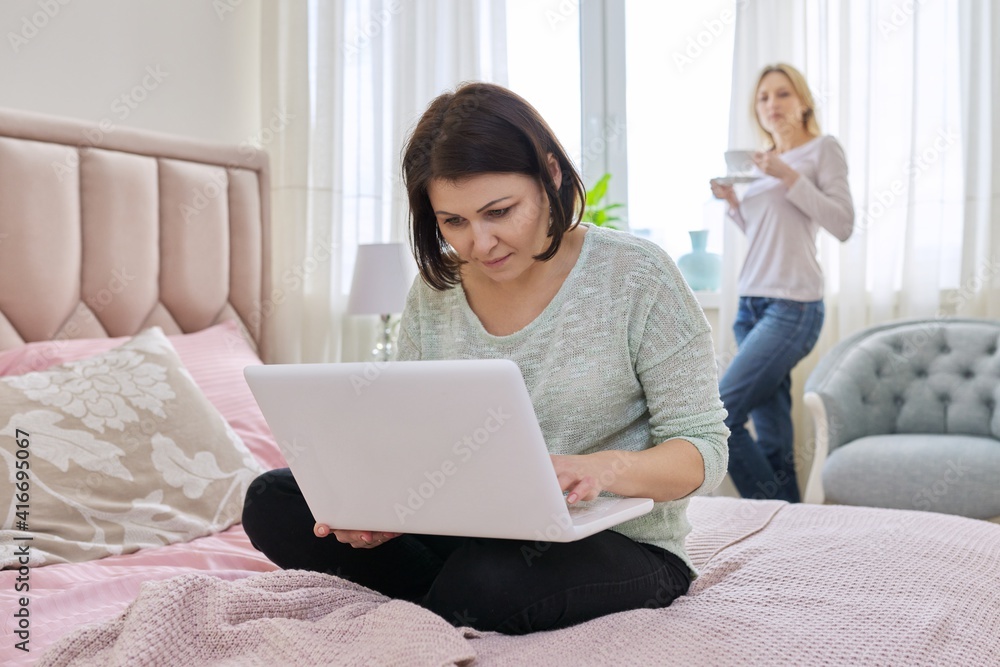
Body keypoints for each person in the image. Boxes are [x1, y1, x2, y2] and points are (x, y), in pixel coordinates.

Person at [243, 82, 729, 635]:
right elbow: (407, 434)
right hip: (468, 531)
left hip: (616, 543)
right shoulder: (437, 292)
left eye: (500, 211)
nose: (481, 243)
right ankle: (445, 596)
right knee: (273, 500)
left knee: (489, 580)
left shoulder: (638, 275)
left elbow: (704, 452)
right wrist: (379, 509)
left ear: (549, 175)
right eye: (454, 222)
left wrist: (599, 469)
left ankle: (441, 595)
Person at [710, 63, 854, 503]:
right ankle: (789, 534)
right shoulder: (760, 161)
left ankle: (777, 513)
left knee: (719, 416)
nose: (772, 105)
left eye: (783, 94)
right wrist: (735, 204)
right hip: (751, 306)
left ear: (804, 101)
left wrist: (786, 175)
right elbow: (770, 233)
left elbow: (843, 223)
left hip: (793, 308)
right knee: (772, 437)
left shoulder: (821, 150)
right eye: (763, 98)